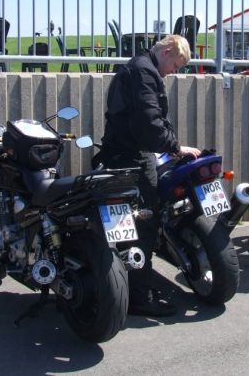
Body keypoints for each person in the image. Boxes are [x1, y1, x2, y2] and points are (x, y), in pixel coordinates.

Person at [99, 34, 202, 316]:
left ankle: (129, 286)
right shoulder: (144, 72)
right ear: (167, 51)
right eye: (175, 65)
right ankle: (140, 298)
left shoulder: (136, 67)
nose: (173, 72)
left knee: (127, 225)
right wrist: (175, 147)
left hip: (119, 153)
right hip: (134, 156)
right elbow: (149, 121)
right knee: (144, 224)